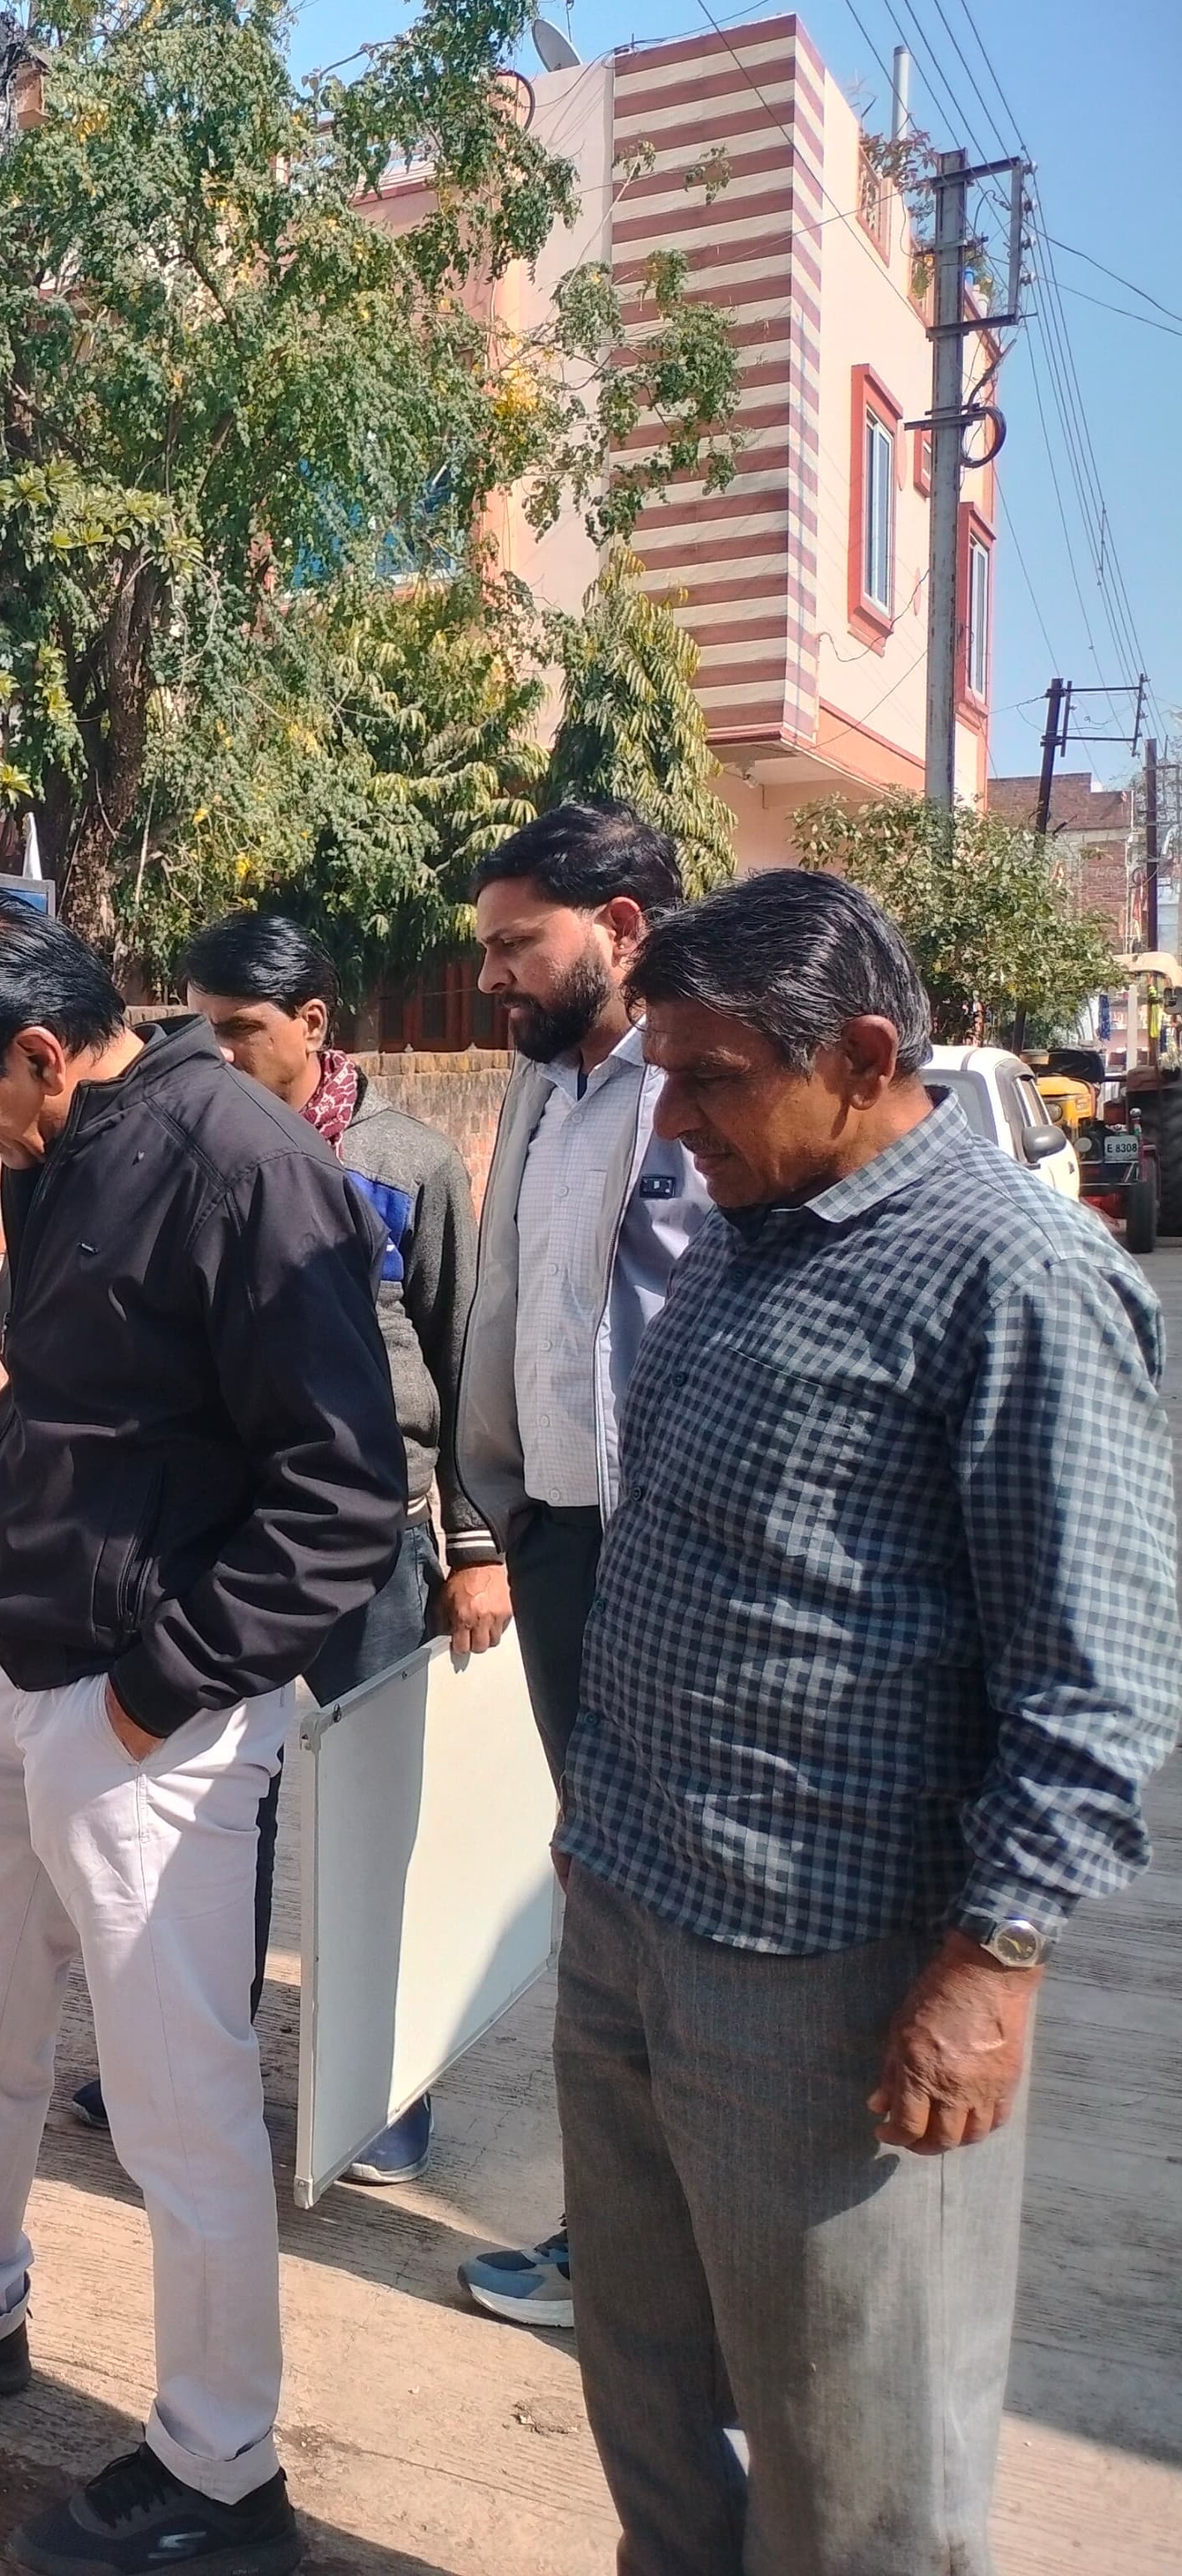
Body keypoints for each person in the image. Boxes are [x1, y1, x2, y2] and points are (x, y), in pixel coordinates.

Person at [560, 871, 1179, 2572]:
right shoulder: (746, 1230)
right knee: (646, 2380)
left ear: (860, 1056)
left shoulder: (1014, 1278)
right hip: (633, 1907)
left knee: (856, 2443)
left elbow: (1098, 1668)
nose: (672, 1124)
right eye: (661, 1078)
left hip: (830, 1970)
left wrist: (994, 1962)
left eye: (709, 1081)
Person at [0, 891, 403, 2576]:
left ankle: (220, 2469)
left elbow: (343, 1495)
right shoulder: (59, 1147)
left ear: (43, 1053)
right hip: (26, 1665)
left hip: (154, 1708)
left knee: (176, 2100)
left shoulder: (241, 1167)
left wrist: (161, 1685)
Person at [54, 910, 505, 2186]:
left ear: (314, 1023)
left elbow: (464, 1356)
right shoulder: (184, 1148)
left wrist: (475, 1542)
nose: (218, 1052)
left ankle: (379, 2083)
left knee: (371, 1824)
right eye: (200, 1027)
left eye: (243, 1029)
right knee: (209, 1818)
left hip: (367, 1539)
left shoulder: (408, 1162)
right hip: (220, 1542)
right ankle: (194, 2061)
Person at [444, 798, 716, 2329]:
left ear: (621, 928)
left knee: (678, 1915)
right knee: (605, 1901)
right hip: (560, 1542)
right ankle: (620, 2238)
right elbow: (520, 1318)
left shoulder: (705, 1087)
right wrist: (497, 1520)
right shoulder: (545, 1090)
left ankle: (672, 2261)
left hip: (679, 1559)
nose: (491, 977)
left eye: (514, 946)